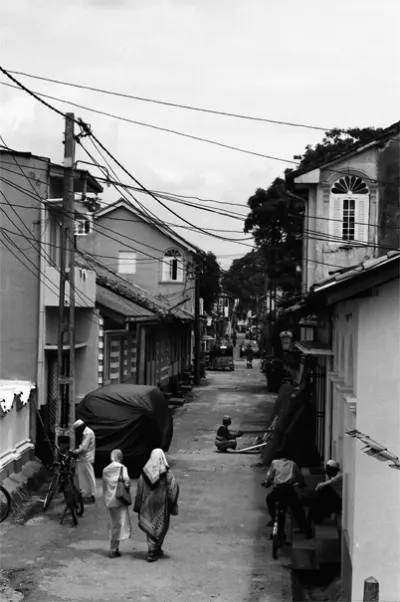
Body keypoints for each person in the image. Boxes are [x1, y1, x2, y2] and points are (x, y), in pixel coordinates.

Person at [134, 448, 179, 562]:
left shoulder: (144, 473)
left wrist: (139, 503)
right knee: (161, 524)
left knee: (150, 524)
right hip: (162, 505)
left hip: (148, 505)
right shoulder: (167, 473)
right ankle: (157, 548)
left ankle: (152, 550)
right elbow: (173, 488)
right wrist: (172, 502)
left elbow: (139, 488)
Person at [262, 450, 312, 539]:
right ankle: (307, 531)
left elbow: (269, 477)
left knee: (270, 499)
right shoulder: (293, 464)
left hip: (279, 490)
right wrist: (302, 484)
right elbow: (299, 477)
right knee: (298, 511)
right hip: (289, 490)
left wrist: (267, 483)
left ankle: (274, 520)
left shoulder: (274, 463)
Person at [102, 449, 132, 558]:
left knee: (112, 524)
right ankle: (114, 549)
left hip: (109, 501)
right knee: (120, 524)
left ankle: (113, 547)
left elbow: (104, 486)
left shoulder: (105, 470)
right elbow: (127, 483)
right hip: (120, 500)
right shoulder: (122, 468)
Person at [306, 460, 342, 527]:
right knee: (317, 501)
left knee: (323, 492)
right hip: (334, 499)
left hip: (338, 501)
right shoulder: (334, 476)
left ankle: (313, 520)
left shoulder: (339, 477)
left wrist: (317, 488)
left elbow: (325, 484)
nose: (327, 472)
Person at [72, 419, 97, 503]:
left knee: (89, 476)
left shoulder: (88, 433)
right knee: (81, 477)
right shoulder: (85, 432)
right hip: (82, 458)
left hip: (86, 458)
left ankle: (92, 494)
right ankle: (85, 494)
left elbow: (84, 447)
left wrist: (75, 451)